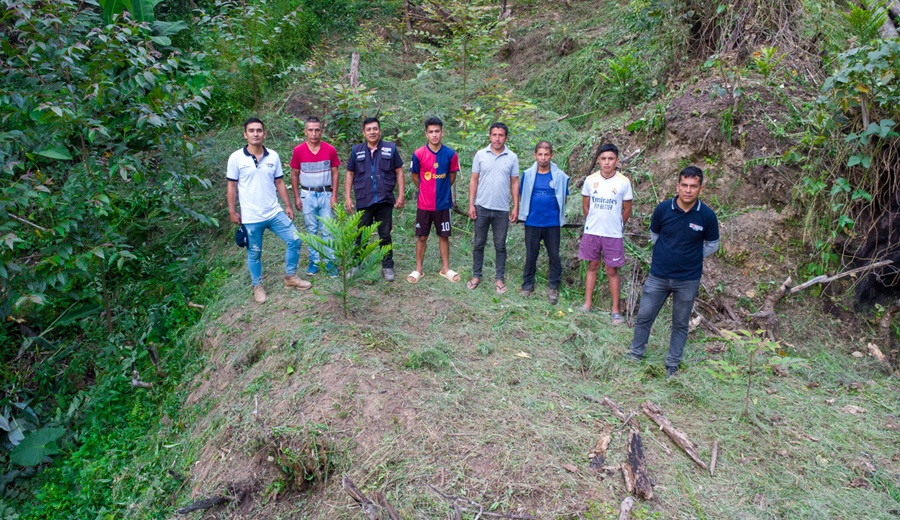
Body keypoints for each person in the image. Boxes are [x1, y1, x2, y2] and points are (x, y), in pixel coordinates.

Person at [628, 166, 720, 377]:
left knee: (680, 323)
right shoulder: (663, 209)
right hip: (658, 275)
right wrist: (668, 254)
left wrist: (690, 257)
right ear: (677, 186)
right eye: (684, 185)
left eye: (693, 186)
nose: (688, 190)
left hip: (687, 279)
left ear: (700, 188)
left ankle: (672, 364)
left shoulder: (706, 216)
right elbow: (655, 235)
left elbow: (712, 245)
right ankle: (636, 353)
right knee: (644, 316)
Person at [227, 117, 311, 303]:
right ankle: (257, 285)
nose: (255, 134)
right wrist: (232, 211)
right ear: (245, 134)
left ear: (264, 134)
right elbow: (232, 186)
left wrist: (288, 205)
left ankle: (290, 277)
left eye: (259, 130)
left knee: (295, 239)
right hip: (251, 217)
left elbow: (279, 182)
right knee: (255, 252)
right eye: (251, 130)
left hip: (274, 212)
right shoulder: (236, 158)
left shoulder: (273, 156)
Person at [344, 117, 405, 281]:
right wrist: (348, 197)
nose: (372, 132)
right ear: (364, 132)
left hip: (385, 199)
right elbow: (350, 173)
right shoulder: (356, 150)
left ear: (380, 131)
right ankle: (358, 264)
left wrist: (401, 195)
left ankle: (387, 267)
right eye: (369, 129)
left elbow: (399, 171)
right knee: (361, 234)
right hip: (364, 199)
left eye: (375, 129)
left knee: (385, 234)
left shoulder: (390, 148)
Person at [578, 143, 633, 323]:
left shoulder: (624, 182)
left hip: (613, 234)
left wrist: (616, 225)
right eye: (603, 159)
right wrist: (593, 222)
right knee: (592, 265)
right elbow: (586, 206)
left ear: (616, 160)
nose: (607, 162)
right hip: (592, 231)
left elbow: (627, 210)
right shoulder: (590, 180)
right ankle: (587, 304)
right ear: (599, 161)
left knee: (611, 269)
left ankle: (615, 310)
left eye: (610, 159)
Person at [467, 122, 520, 294]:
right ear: (490, 136)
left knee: (500, 246)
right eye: (494, 135)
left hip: (502, 209)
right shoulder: (481, 155)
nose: (497, 138)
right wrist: (471, 204)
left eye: (501, 135)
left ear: (506, 137)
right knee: (478, 244)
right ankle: (476, 275)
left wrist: (515, 207)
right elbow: (474, 180)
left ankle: (499, 279)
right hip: (481, 206)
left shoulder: (512, 157)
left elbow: (514, 182)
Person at [408, 117, 461, 284]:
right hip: (424, 204)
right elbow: (415, 177)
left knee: (443, 236)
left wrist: (442, 190)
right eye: (431, 132)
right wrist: (426, 189)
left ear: (442, 132)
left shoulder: (451, 154)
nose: (434, 135)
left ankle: (445, 268)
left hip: (443, 204)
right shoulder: (418, 154)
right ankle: (418, 270)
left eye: (437, 131)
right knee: (422, 236)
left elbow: (451, 177)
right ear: (426, 134)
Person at [519, 141, 569, 304]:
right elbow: (523, 194)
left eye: (546, 154)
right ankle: (527, 285)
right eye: (540, 154)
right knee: (531, 254)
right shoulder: (527, 174)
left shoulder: (560, 176)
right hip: (532, 221)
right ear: (535, 156)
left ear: (551, 155)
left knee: (554, 255)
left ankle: (553, 286)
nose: (543, 158)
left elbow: (564, 197)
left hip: (552, 222)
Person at [290, 116, 340, 277]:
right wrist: (297, 197)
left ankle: (329, 261)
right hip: (307, 194)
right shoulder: (298, 151)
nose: (314, 133)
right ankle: (314, 260)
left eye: (317, 130)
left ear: (321, 131)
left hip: (325, 193)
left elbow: (335, 172)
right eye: (310, 130)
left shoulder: (329, 149)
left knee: (328, 229)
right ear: (305, 131)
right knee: (311, 229)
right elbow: (295, 174)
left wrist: (334, 195)